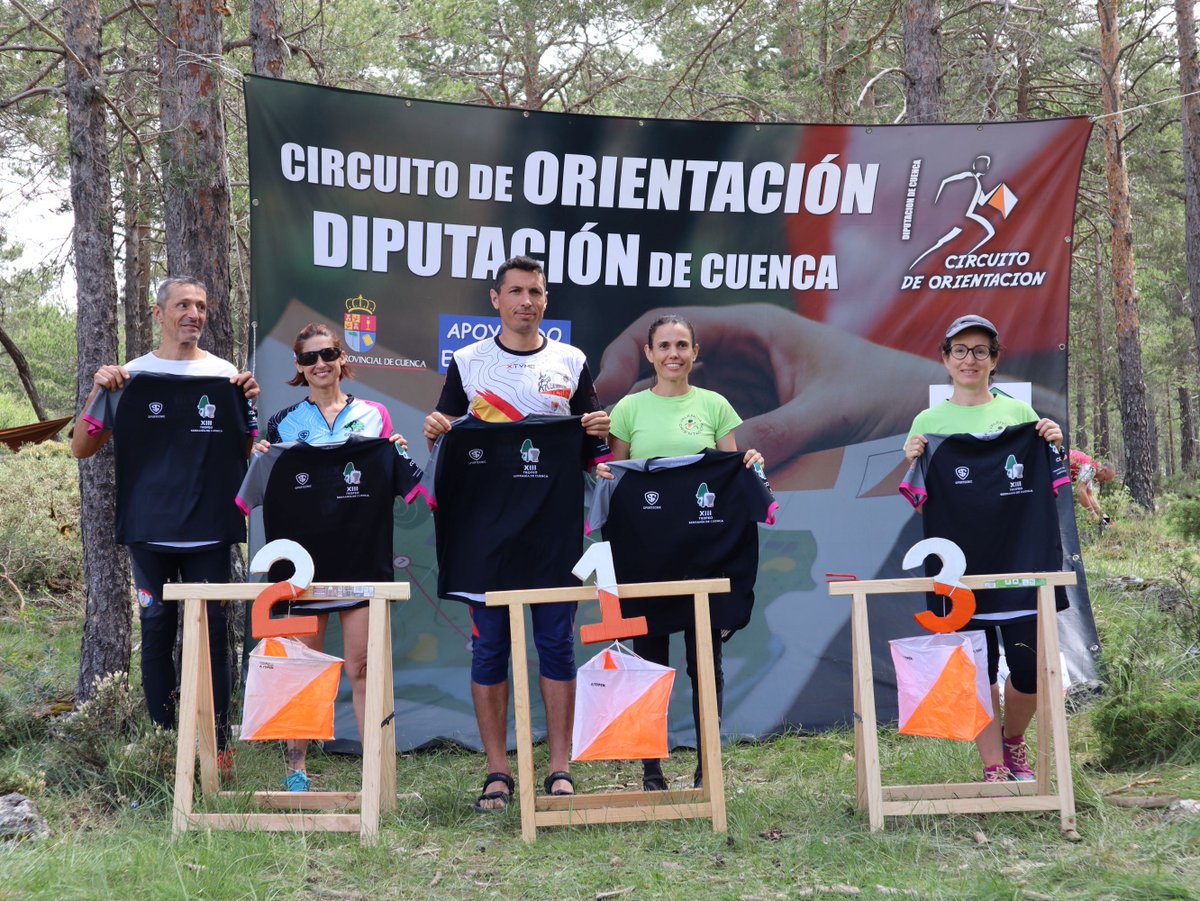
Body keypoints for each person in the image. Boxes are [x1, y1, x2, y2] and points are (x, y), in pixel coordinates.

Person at [423, 255, 610, 811]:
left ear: (546, 300)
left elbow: (595, 453)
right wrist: (434, 431)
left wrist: (599, 433)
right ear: (495, 298)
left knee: (556, 646)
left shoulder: (571, 362)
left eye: (536, 292)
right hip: (485, 534)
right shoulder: (468, 360)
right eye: (517, 291)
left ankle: (559, 767)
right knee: (490, 652)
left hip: (552, 532)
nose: (527, 301)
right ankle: (498, 772)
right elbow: (445, 440)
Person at [71, 276, 259, 778]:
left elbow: (247, 451)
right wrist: (96, 390)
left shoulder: (226, 377)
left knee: (215, 635)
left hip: (211, 530)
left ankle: (218, 750)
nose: (193, 313)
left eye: (200, 306)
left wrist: (249, 403)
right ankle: (164, 747)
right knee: (156, 632)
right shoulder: (130, 377)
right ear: (159, 315)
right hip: (148, 530)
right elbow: (81, 447)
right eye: (182, 305)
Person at [598, 314, 764, 791]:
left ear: (695, 353)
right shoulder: (628, 408)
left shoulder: (715, 406)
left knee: (705, 663)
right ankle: (652, 768)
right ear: (648, 354)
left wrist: (748, 464)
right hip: (645, 556)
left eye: (682, 345)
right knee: (650, 661)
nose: (673, 353)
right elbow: (617, 474)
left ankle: (707, 764)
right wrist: (607, 474)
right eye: (664, 345)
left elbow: (730, 474)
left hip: (704, 556)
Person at [249, 322, 413, 792]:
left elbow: (399, 484)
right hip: (301, 563)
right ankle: (296, 769)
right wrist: (263, 455)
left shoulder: (376, 416)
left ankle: (374, 772)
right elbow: (261, 487)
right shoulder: (281, 424)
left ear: (342, 358)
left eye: (328, 354)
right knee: (304, 665)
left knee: (362, 666)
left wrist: (395, 451)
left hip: (361, 553)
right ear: (299, 368)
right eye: (309, 358)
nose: (320, 364)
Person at [903, 314, 1064, 783]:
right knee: (975, 671)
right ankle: (994, 766)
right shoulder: (928, 424)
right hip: (958, 571)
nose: (969, 360)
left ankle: (1015, 742)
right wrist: (915, 458)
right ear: (945, 359)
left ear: (994, 361)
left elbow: (1049, 485)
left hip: (1021, 565)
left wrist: (1052, 441)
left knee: (1029, 670)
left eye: (979, 351)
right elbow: (922, 510)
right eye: (960, 350)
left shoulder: (1021, 416)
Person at [1069, 449, 1115, 526]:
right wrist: (1092, 513)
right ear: (1103, 471)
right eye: (1104, 479)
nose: (1102, 482)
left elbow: (1089, 495)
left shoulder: (1092, 468)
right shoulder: (1089, 468)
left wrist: (1105, 518)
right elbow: (1080, 491)